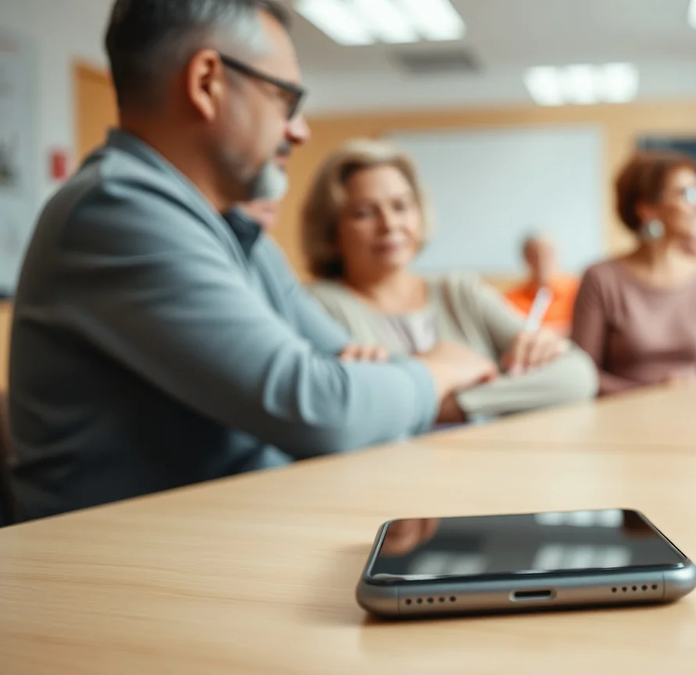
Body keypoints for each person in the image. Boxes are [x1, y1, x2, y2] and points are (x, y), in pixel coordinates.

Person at [7, 0, 493, 522]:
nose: (299, 131)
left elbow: (347, 368)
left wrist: (370, 389)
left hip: (233, 534)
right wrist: (438, 368)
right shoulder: (118, 211)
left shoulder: (238, 235)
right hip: (119, 574)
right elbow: (325, 409)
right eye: (284, 98)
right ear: (207, 82)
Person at [302, 139, 598, 422]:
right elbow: (339, 408)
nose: (389, 224)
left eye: (401, 206)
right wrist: (447, 372)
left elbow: (575, 376)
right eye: (364, 213)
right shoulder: (315, 306)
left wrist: (444, 405)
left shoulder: (460, 291)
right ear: (331, 228)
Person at [571, 150, 696, 395]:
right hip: (621, 423)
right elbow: (581, 376)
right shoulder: (600, 280)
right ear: (647, 209)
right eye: (685, 194)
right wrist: (653, 393)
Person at [505, 233, 580, 336]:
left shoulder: (577, 292)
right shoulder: (511, 299)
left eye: (547, 253)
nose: (541, 260)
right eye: (534, 255)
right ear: (526, 259)